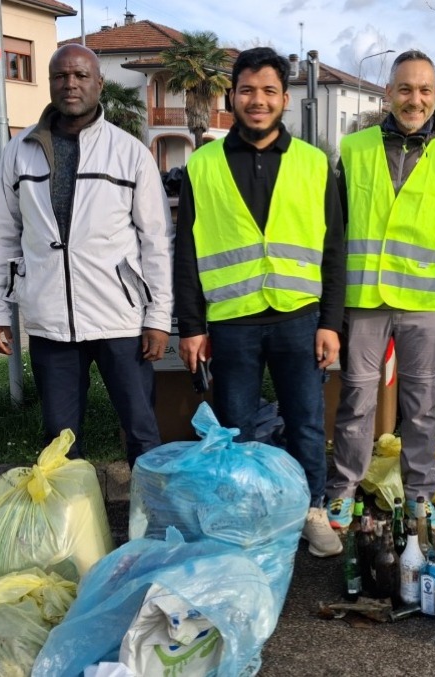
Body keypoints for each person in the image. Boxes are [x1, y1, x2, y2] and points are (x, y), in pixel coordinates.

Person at [173, 47, 346, 557]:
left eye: (269, 90)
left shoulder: (314, 164)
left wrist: (330, 322)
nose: (258, 100)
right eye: (247, 90)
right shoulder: (202, 165)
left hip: (299, 317)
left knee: (307, 421)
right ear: (232, 96)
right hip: (232, 322)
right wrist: (191, 326)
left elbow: (334, 249)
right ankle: (247, 516)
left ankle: (312, 509)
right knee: (236, 427)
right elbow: (186, 251)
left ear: (284, 99)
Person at [0, 44, 173, 467]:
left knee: (142, 430)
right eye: (61, 76)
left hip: (119, 318)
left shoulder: (128, 152)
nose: (71, 84)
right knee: (59, 443)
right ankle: (72, 531)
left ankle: (153, 526)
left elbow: (156, 241)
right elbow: (3, 234)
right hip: (50, 319)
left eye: (81, 76)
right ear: (50, 83)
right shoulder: (19, 150)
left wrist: (158, 318)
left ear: (99, 84)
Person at [325, 50, 435, 533]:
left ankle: (420, 496)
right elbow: (338, 225)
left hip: (425, 301)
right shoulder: (357, 148)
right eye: (405, 89)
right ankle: (344, 490)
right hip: (365, 298)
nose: (416, 99)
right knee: (357, 400)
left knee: (421, 403)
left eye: (425, 90)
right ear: (388, 93)